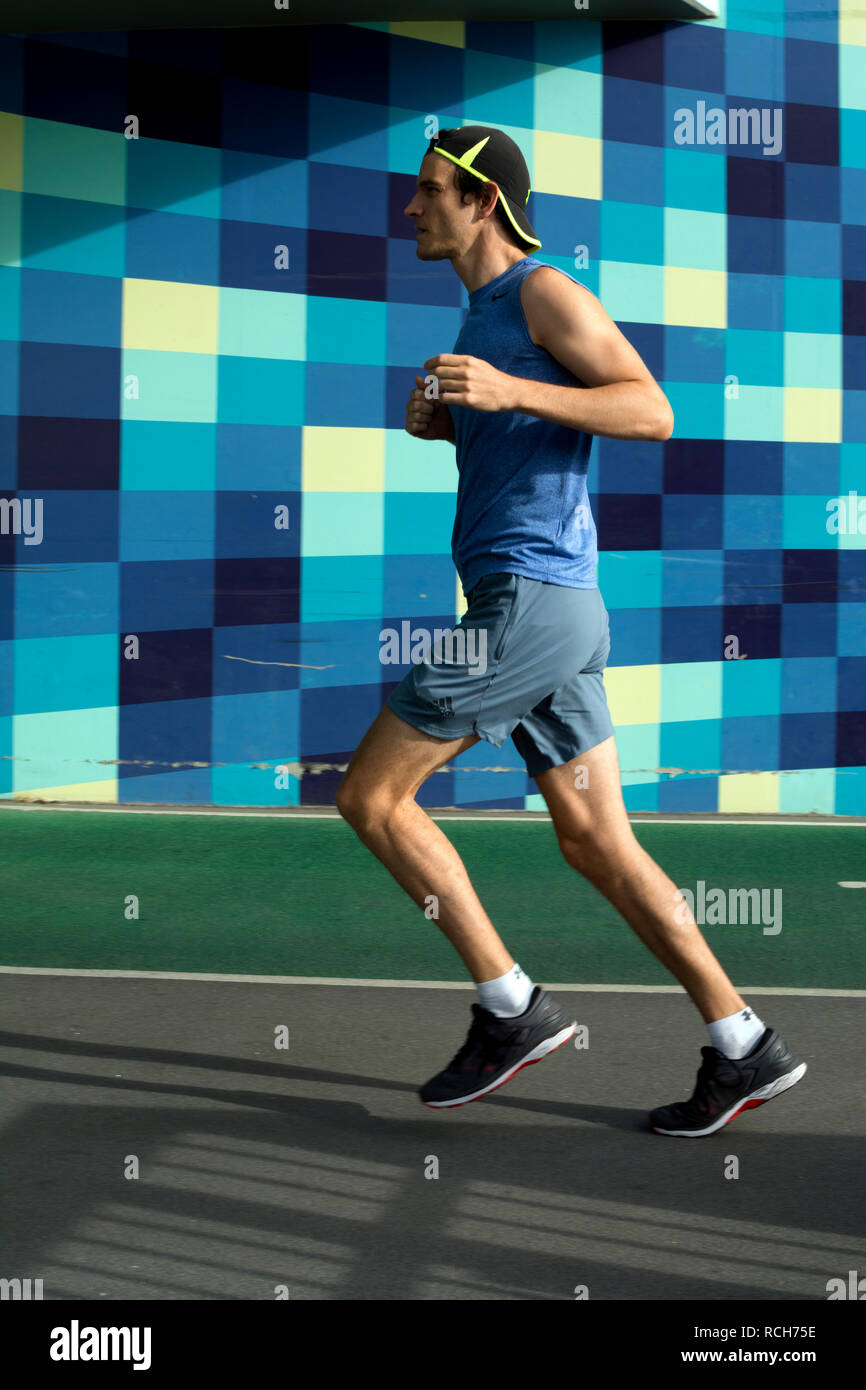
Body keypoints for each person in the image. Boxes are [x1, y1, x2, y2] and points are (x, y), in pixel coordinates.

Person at [336, 125, 806, 1136]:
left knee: (369, 795)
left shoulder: (542, 292)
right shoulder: (474, 318)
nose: (409, 208)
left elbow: (649, 407)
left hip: (525, 605)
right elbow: (519, 431)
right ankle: (742, 1042)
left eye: (427, 192)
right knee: (597, 842)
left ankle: (511, 1009)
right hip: (547, 610)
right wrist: (447, 416)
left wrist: (504, 387)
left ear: (482, 202)